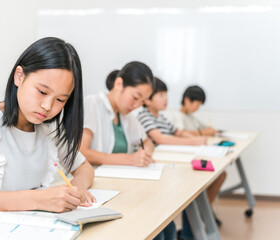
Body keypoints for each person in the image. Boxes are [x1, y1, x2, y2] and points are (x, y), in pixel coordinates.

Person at [0, 37, 95, 216]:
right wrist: (39, 199)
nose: (47, 106)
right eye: (42, 92)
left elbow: (84, 168)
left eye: (60, 99)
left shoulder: (48, 129)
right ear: (19, 76)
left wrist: (77, 189)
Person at [80, 63, 176, 240]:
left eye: (142, 101)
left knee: (167, 223)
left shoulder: (128, 116)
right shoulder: (91, 104)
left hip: (122, 185)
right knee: (156, 229)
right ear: (119, 85)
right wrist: (130, 159)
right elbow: (83, 153)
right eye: (135, 97)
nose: (137, 105)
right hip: (96, 187)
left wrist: (145, 152)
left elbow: (148, 143)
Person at [173, 85, 226, 240]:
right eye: (196, 104)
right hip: (186, 159)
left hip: (197, 154)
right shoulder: (178, 116)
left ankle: (205, 210)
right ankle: (204, 212)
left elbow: (203, 128)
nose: (197, 108)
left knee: (220, 174)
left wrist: (209, 131)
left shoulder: (191, 116)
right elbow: (181, 133)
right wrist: (204, 132)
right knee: (211, 177)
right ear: (187, 100)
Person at [137, 78, 207, 146]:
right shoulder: (144, 116)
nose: (166, 98)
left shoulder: (162, 118)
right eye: (161, 95)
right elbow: (160, 139)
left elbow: (179, 133)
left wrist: (195, 139)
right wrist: (193, 142)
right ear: (147, 99)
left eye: (166, 94)